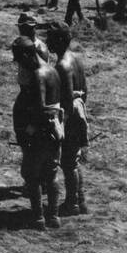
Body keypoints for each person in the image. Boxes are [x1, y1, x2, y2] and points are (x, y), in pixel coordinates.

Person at [11, 36, 63, 230]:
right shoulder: (52, 70)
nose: (19, 64)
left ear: (27, 54)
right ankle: (54, 216)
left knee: (32, 175)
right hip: (54, 131)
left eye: (19, 59)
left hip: (40, 134)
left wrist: (29, 130)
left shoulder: (38, 75)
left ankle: (39, 218)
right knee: (51, 175)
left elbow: (40, 108)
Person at [47, 24, 89, 217]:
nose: (48, 42)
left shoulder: (62, 65)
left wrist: (61, 125)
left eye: (52, 38)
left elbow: (65, 102)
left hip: (70, 118)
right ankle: (80, 200)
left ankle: (72, 203)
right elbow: (85, 92)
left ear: (62, 40)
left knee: (68, 162)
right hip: (79, 114)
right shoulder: (77, 59)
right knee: (75, 160)